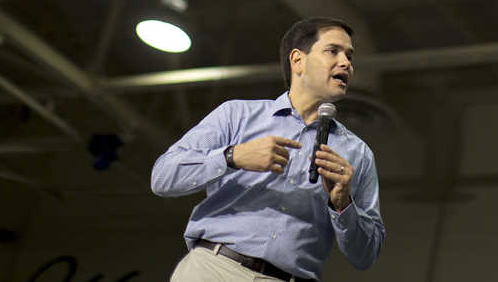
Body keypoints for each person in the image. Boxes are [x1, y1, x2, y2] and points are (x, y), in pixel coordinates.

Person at [151, 17, 385, 282]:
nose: (346, 63)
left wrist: (343, 204)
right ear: (298, 61)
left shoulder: (358, 154)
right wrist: (232, 156)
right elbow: (163, 177)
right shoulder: (237, 115)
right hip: (213, 269)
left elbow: (365, 256)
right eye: (333, 51)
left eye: (349, 56)